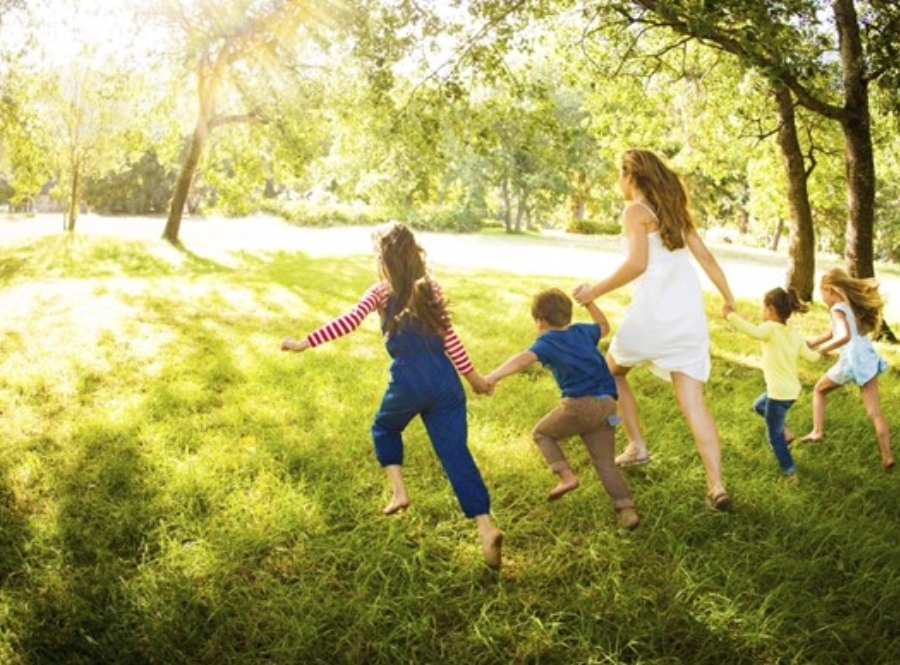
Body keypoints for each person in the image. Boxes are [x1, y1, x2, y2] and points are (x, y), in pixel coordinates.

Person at [281, 221, 504, 569]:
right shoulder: (431, 289)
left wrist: (303, 342)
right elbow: (451, 340)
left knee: (384, 429)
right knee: (455, 454)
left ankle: (399, 492)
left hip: (409, 379)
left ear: (383, 259)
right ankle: (485, 527)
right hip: (446, 381)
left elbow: (348, 321)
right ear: (416, 255)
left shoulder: (380, 292)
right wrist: (474, 377)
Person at [573, 148, 736, 510]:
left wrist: (593, 292)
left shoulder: (635, 211)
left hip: (654, 312)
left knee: (611, 372)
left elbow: (636, 263)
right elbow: (706, 258)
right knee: (693, 401)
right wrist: (729, 298)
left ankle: (637, 446)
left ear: (630, 176)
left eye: (619, 174)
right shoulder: (675, 214)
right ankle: (717, 485)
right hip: (687, 315)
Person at [485, 288, 640, 530]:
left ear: (540, 321)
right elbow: (603, 325)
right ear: (567, 315)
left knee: (542, 433)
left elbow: (522, 359)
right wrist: (589, 304)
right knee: (605, 463)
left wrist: (492, 377)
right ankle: (627, 510)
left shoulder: (547, 342)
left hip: (580, 405)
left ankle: (566, 477)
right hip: (609, 404)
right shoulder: (582, 332)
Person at [800, 267, 895, 470]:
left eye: (822, 292)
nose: (822, 297)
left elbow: (843, 336)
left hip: (852, 361)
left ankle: (817, 431)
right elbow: (831, 331)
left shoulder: (837, 309)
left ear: (830, 290)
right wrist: (810, 343)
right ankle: (887, 456)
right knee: (875, 412)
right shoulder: (851, 306)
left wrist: (823, 350)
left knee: (819, 389)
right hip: (868, 359)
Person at [723, 287, 821, 477]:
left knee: (774, 437)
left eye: (762, 307)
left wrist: (731, 316)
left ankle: (789, 471)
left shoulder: (769, 329)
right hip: (791, 391)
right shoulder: (794, 334)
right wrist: (823, 349)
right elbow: (812, 358)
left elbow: (752, 331)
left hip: (778, 393)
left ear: (770, 309)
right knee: (759, 405)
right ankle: (787, 432)